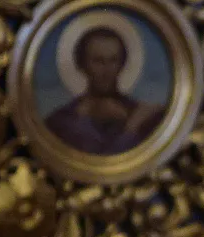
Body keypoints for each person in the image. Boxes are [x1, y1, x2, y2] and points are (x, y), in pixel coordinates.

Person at [44, 26, 164, 154]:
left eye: (113, 60)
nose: (107, 71)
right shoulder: (61, 121)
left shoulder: (144, 116)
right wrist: (132, 126)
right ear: (82, 64)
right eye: (98, 61)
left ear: (122, 64)